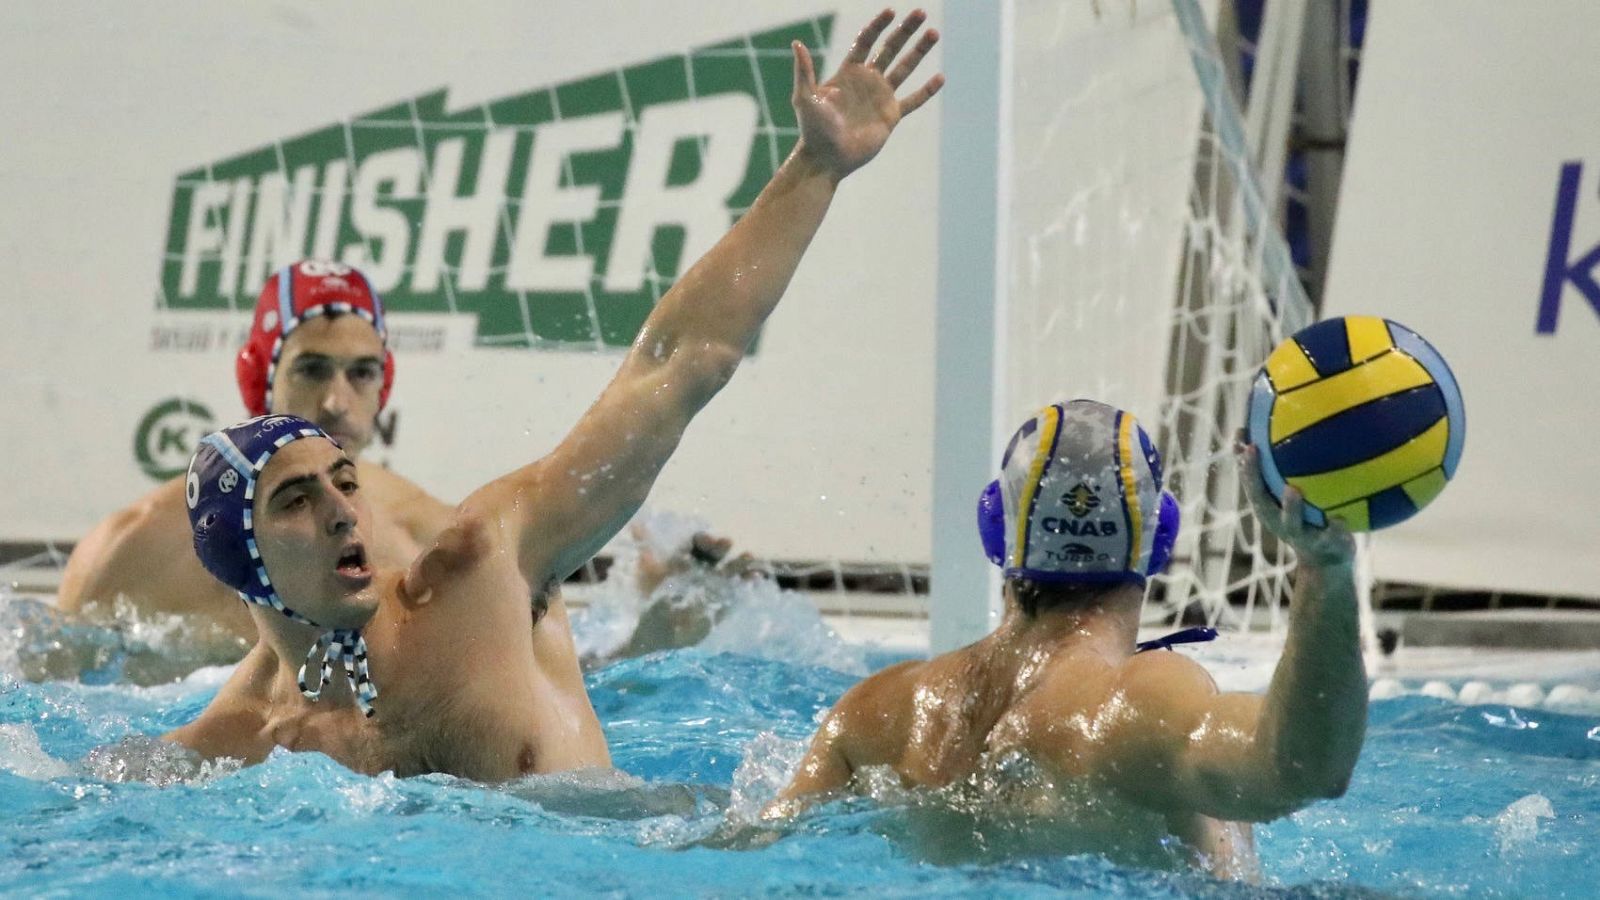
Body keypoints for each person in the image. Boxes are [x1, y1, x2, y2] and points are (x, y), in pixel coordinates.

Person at [161, 9, 945, 781]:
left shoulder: (482, 573)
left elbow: (675, 367)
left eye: (343, 482)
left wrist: (815, 168)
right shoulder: (233, 745)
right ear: (243, 561)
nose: (342, 510)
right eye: (296, 500)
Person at [766, 400, 1367, 879]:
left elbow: (756, 845)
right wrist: (1324, 573)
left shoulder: (878, 714)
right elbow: (1303, 770)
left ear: (992, 527)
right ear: (1162, 542)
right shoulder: (1141, 707)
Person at [54, 261, 454, 658]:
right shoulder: (131, 555)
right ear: (258, 378)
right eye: (312, 370)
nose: (337, 402)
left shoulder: (427, 543)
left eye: (362, 373)